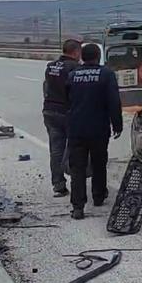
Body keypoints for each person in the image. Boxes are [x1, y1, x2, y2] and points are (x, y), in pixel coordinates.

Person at [66, 43, 123, 220]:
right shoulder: (106, 74)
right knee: (99, 162)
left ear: (82, 57)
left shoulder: (72, 75)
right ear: (98, 56)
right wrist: (117, 125)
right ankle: (98, 196)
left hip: (76, 128)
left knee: (78, 168)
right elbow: (114, 102)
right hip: (98, 128)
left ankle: (77, 206)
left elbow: (68, 101)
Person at [41, 39, 81, 197]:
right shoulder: (74, 68)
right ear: (76, 52)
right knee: (74, 148)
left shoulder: (50, 66)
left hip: (50, 111)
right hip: (67, 112)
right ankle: (77, 182)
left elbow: (46, 87)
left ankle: (58, 185)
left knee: (56, 150)